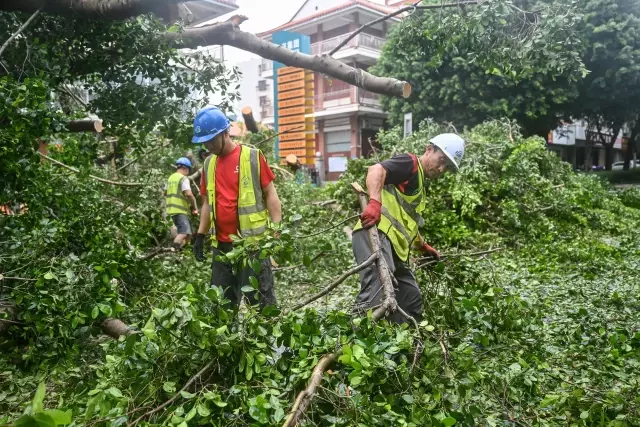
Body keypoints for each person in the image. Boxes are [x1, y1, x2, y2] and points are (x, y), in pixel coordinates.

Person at [351, 133, 465, 323]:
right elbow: (376, 170)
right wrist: (374, 202)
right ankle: (353, 342)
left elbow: (406, 222)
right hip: (376, 233)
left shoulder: (419, 185)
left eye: (447, 167)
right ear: (429, 149)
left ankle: (404, 346)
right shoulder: (410, 164)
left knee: (410, 298)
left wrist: (422, 246)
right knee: (376, 294)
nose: (441, 168)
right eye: (441, 160)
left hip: (396, 248)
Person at [191, 107, 282, 309]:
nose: (208, 145)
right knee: (221, 306)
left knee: (261, 305)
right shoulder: (208, 164)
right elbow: (206, 203)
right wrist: (199, 235)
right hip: (222, 248)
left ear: (225, 133)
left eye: (211, 139)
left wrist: (276, 231)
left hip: (252, 246)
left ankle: (265, 339)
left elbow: (271, 195)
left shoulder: (251, 157)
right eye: (204, 141)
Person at [165, 157, 199, 250]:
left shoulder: (170, 178)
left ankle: (177, 249)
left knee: (188, 236)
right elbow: (189, 194)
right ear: (185, 168)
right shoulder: (183, 178)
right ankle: (172, 250)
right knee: (184, 233)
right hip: (179, 211)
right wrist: (194, 207)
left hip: (170, 211)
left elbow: (165, 193)